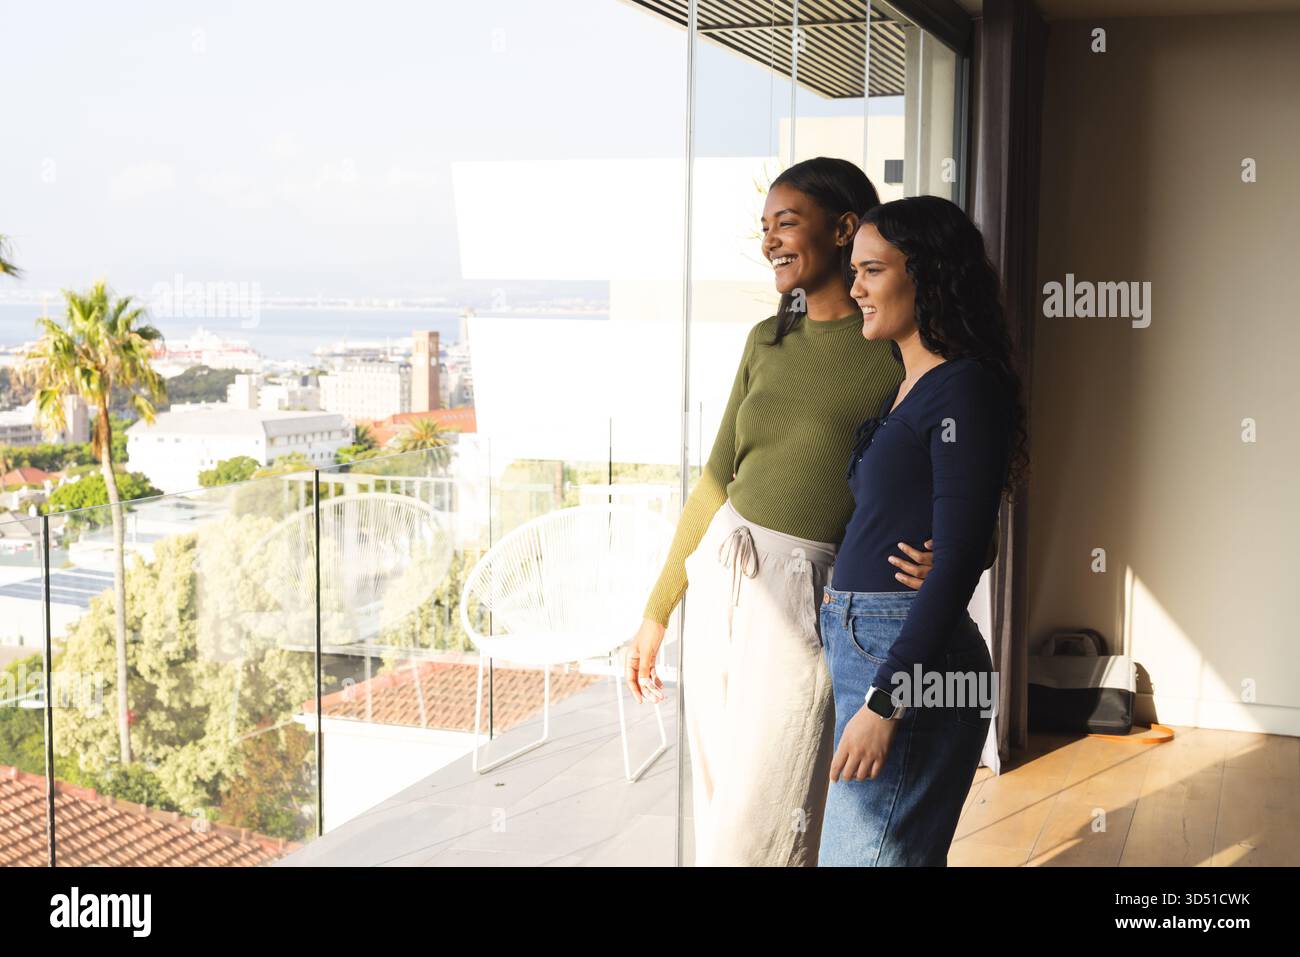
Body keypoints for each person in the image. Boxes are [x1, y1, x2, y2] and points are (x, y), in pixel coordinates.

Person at [624, 157, 973, 867]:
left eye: (788, 222)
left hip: (807, 593)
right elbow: (716, 478)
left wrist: (964, 547)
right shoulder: (766, 339)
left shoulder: (891, 347)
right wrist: (659, 608)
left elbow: (950, 462)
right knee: (718, 802)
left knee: (764, 818)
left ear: (844, 228)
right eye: (765, 226)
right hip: (722, 571)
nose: (771, 241)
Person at [817, 195, 1029, 867]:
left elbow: (962, 551)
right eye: (854, 271)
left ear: (928, 275)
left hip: (904, 656)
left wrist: (888, 698)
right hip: (872, 639)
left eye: (872, 270)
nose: (855, 288)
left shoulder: (962, 388)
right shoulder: (908, 384)